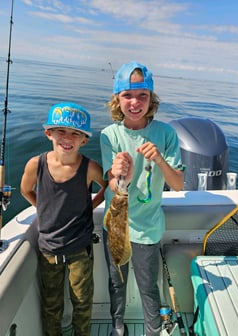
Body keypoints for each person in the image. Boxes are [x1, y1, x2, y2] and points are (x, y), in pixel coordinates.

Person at [100, 61, 184, 336]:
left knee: (149, 286)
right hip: (115, 226)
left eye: (142, 96)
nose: (135, 103)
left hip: (147, 229)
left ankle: (152, 330)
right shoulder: (109, 135)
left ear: (151, 99)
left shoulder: (166, 133)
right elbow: (112, 186)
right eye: (127, 96)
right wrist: (119, 175)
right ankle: (117, 327)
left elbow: (178, 183)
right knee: (116, 283)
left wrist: (159, 159)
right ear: (117, 99)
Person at [21, 102, 107, 336]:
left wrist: (91, 206)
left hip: (80, 247)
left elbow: (108, 187)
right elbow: (25, 190)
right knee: (52, 305)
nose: (67, 138)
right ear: (48, 133)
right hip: (48, 249)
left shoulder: (90, 167)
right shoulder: (35, 164)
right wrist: (44, 207)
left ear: (84, 140)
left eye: (75, 133)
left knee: (82, 302)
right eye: (61, 131)